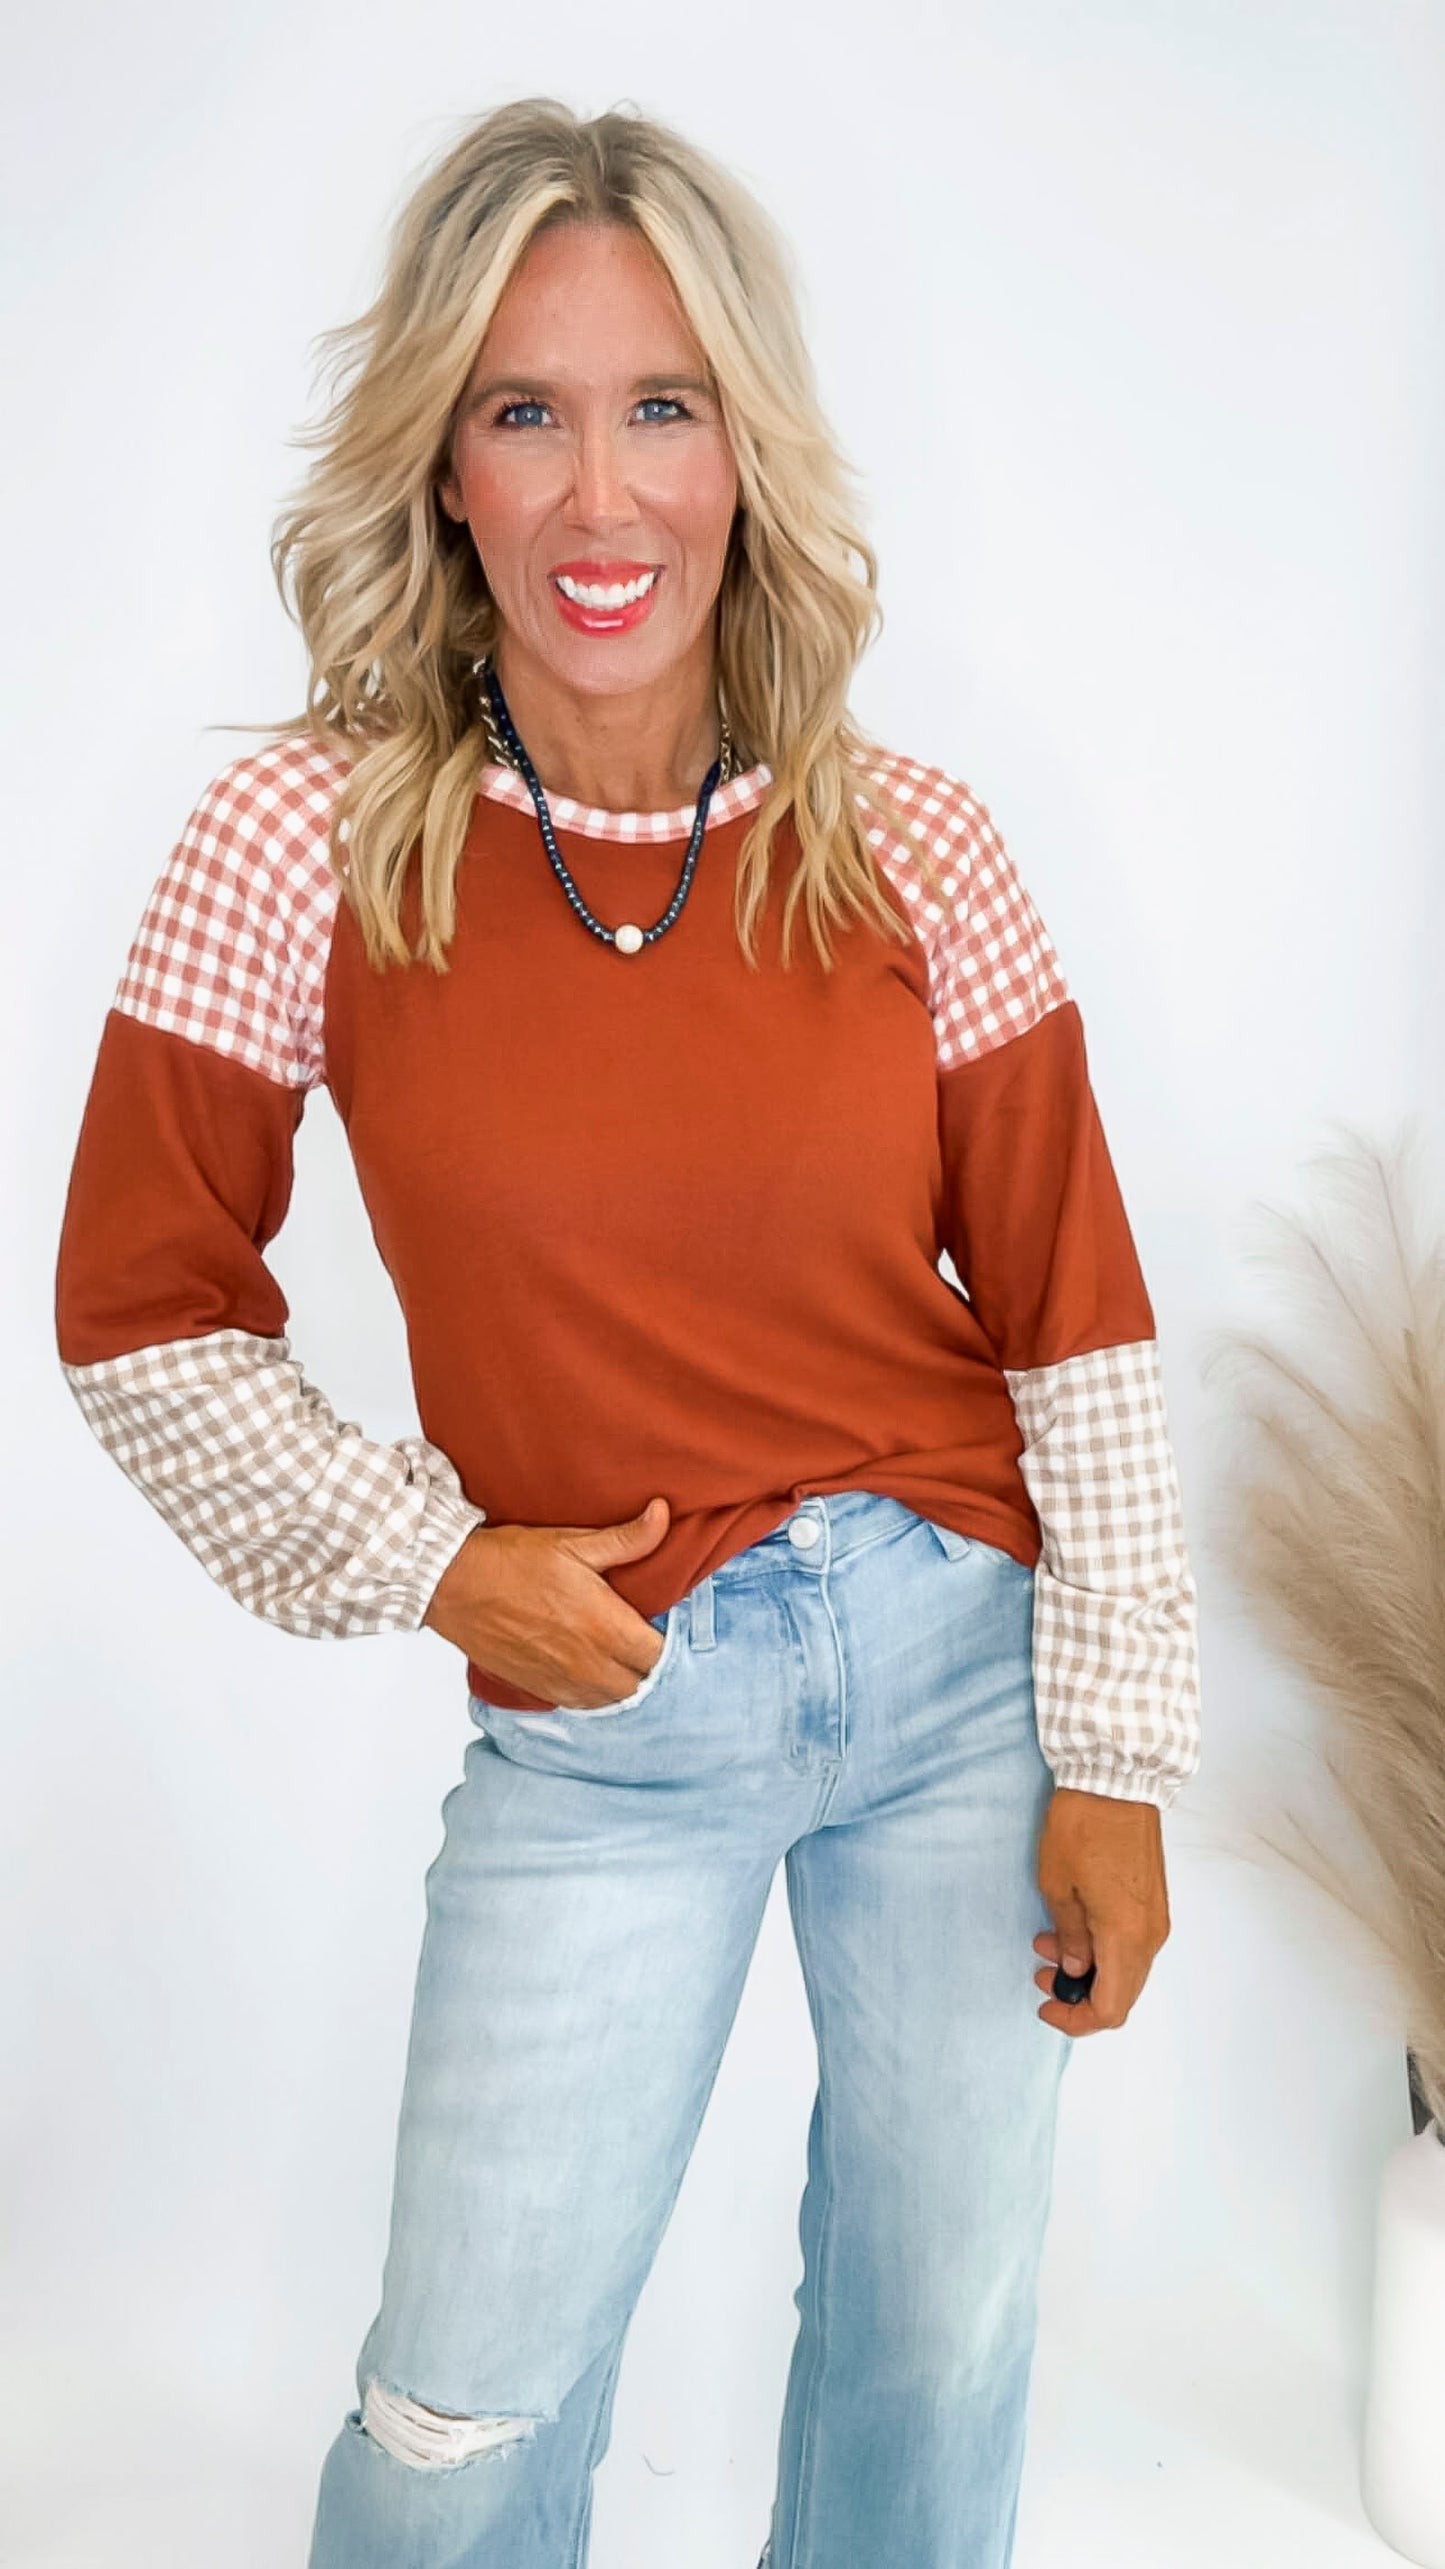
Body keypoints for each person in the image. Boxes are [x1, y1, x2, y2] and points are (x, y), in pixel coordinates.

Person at [53, 96, 1201, 2569]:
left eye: (663, 407)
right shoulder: (303, 848)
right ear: (442, 466)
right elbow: (139, 1314)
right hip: (610, 1713)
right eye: (527, 410)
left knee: (934, 2352)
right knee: (455, 2420)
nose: (603, 495)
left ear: (744, 453)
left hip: (959, 1679)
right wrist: (443, 1560)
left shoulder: (914, 847)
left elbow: (1082, 1333)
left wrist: (1113, 1756)